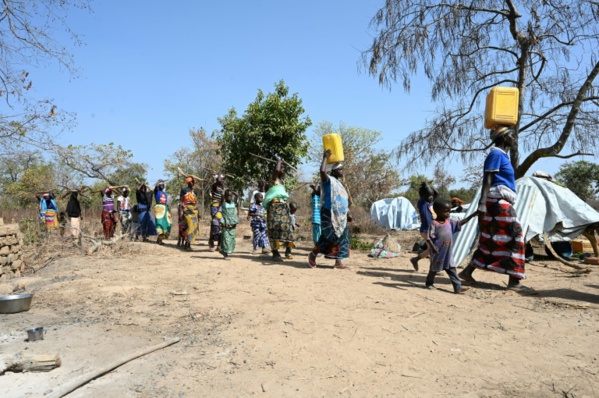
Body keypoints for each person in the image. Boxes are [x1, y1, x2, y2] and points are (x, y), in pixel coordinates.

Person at [458, 125, 529, 291]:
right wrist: (482, 203)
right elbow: (488, 178)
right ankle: (514, 282)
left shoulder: (502, 155)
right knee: (516, 235)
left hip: (497, 200)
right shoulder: (496, 153)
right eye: (512, 135)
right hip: (497, 201)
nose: (514, 138)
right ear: (503, 138)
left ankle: (468, 272)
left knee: (490, 238)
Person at [307, 150, 352, 269]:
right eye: (340, 169)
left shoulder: (339, 184)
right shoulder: (328, 181)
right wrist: (325, 157)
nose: (342, 171)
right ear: (333, 170)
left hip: (340, 216)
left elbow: (342, 201)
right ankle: (312, 255)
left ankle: (338, 261)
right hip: (329, 213)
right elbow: (322, 171)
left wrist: (347, 213)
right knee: (328, 236)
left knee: (341, 236)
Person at [425, 198, 477, 293]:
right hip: (438, 252)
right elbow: (428, 238)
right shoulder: (434, 224)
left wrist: (472, 215)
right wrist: (433, 247)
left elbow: (461, 223)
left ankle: (458, 287)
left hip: (448, 252)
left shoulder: (450, 222)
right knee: (434, 269)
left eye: (449, 211)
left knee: (452, 269)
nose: (448, 213)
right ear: (437, 211)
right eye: (446, 211)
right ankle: (429, 283)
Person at [263, 159, 296, 261]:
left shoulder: (283, 182)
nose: (283, 170)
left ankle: (288, 251)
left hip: (283, 207)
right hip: (273, 207)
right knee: (274, 229)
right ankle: (275, 253)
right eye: (282, 168)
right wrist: (279, 161)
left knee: (289, 228)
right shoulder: (272, 179)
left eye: (284, 169)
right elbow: (276, 171)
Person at [410, 182, 438, 271]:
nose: (431, 196)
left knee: (431, 249)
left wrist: (431, 186)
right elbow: (428, 192)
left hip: (432, 230)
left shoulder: (431, 203)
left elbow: (437, 193)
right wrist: (426, 185)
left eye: (432, 195)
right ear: (424, 195)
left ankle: (415, 260)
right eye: (429, 195)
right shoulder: (422, 203)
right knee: (433, 248)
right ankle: (433, 268)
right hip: (425, 230)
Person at [179, 177, 200, 251]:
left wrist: (199, 213)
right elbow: (181, 201)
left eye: (193, 182)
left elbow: (196, 202)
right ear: (188, 182)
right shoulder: (184, 190)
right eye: (191, 182)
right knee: (188, 226)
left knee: (193, 227)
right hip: (187, 210)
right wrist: (182, 210)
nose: (192, 183)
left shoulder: (195, 192)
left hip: (194, 211)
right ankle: (186, 244)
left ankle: (188, 244)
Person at [220, 189, 239, 260]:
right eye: (227, 196)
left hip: (233, 223)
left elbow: (237, 195)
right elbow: (222, 197)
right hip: (225, 222)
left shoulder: (234, 203)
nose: (229, 197)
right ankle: (225, 254)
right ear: (225, 196)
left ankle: (223, 250)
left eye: (230, 196)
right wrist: (224, 192)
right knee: (226, 238)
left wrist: (231, 191)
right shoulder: (223, 203)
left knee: (231, 239)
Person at [209, 174, 225, 251]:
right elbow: (217, 181)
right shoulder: (214, 186)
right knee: (214, 224)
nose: (222, 180)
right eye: (221, 179)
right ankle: (211, 241)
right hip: (215, 206)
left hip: (221, 206)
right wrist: (219, 173)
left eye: (223, 179)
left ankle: (219, 245)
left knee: (221, 225)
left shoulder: (222, 187)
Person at [154, 180, 171, 245]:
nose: (162, 186)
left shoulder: (164, 193)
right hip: (159, 208)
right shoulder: (156, 192)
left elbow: (167, 202)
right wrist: (158, 182)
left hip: (165, 208)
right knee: (159, 223)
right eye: (160, 185)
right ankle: (159, 239)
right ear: (158, 186)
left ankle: (160, 239)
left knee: (165, 224)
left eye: (163, 185)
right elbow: (155, 188)